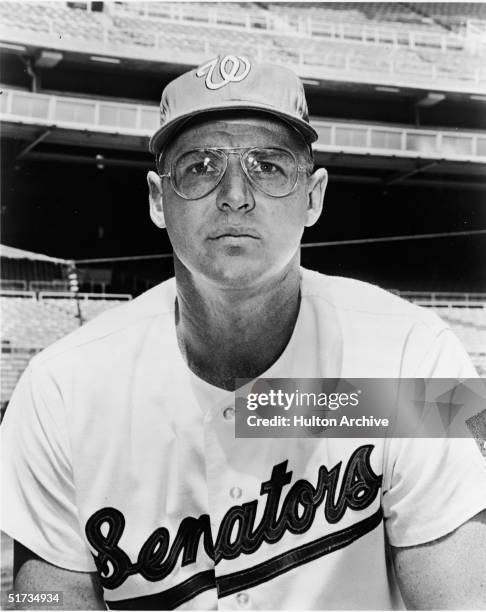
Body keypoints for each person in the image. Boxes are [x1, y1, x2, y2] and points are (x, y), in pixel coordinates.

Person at [2, 54, 486, 611]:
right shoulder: (62, 388)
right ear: (160, 199)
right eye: (201, 166)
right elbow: (43, 603)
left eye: (269, 165)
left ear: (314, 196)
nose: (235, 193)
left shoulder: (416, 358)